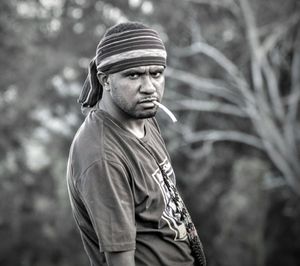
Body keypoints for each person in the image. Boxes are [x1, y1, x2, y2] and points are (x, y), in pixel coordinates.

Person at [66, 21, 206, 266]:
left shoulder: (143, 116)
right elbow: (120, 260)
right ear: (105, 80)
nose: (149, 87)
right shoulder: (102, 156)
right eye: (134, 75)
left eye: (156, 73)